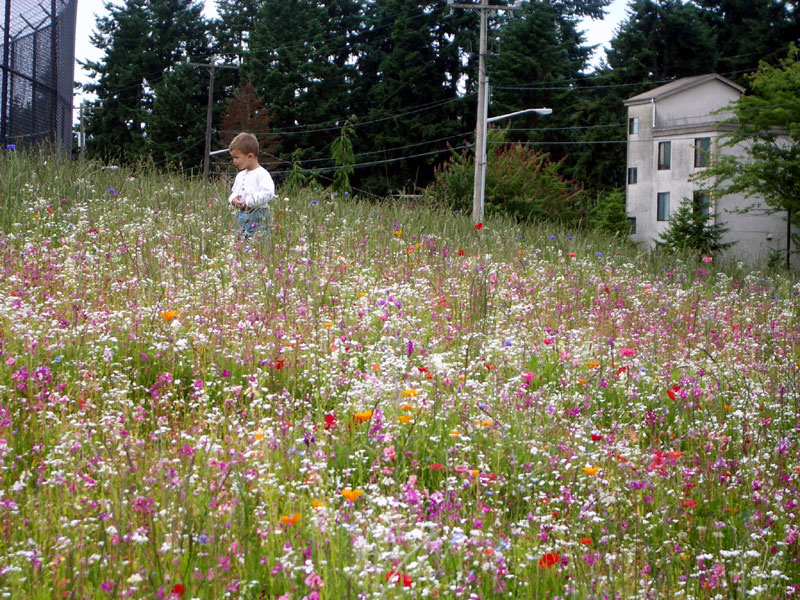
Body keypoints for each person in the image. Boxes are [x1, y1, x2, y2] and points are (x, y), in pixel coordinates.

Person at [227, 132, 275, 238]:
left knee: (257, 243)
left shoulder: (262, 174)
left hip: (258, 214)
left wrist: (249, 201)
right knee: (240, 242)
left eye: (237, 157)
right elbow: (234, 192)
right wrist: (233, 200)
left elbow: (268, 193)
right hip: (242, 215)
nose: (234, 161)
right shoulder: (240, 175)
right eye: (233, 158)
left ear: (250, 156)